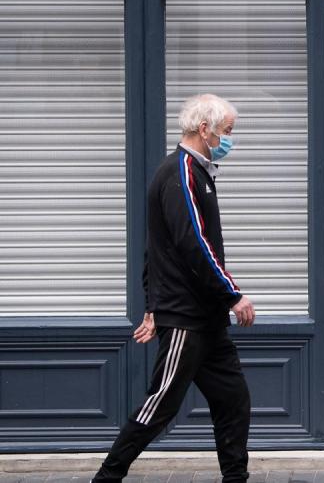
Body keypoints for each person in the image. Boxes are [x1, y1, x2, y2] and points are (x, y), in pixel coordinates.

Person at [93, 94, 256, 483]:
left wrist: (152, 305)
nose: (229, 140)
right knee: (160, 405)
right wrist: (233, 293)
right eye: (227, 132)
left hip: (205, 318)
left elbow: (157, 249)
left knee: (233, 399)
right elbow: (192, 243)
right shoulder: (180, 172)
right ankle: (107, 477)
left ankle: (236, 478)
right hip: (186, 319)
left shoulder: (197, 172)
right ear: (205, 129)